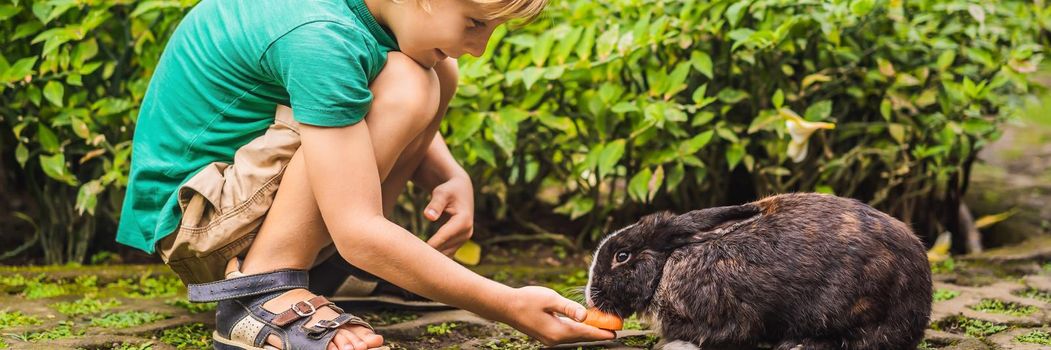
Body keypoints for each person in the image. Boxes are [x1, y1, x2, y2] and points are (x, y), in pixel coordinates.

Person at [115, 0, 616, 349]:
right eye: (472, 22)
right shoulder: (318, 34)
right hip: (196, 223)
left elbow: (346, 102)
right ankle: (260, 293)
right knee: (407, 81)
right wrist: (506, 305)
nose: (480, 46)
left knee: (435, 72)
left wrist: (448, 172)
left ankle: (336, 274)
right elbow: (358, 226)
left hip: (234, 199)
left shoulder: (360, 12)